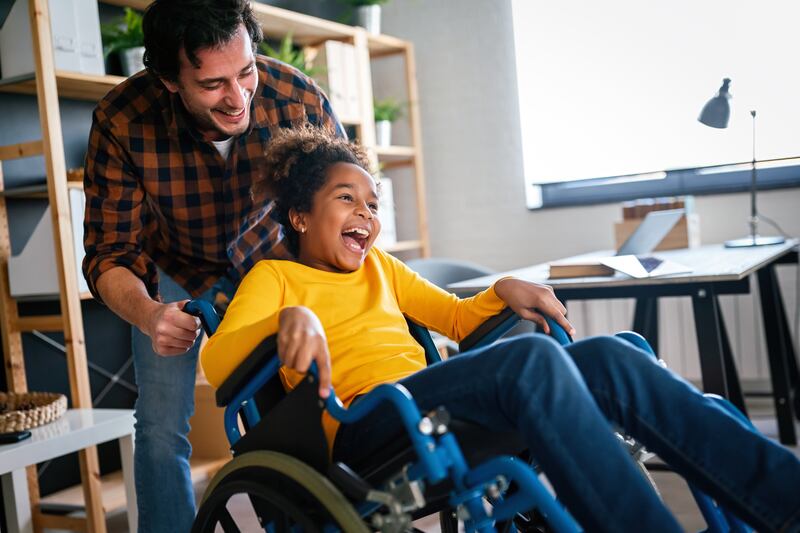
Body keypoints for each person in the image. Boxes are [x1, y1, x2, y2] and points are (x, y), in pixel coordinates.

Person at [201, 126, 800, 533]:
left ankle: (786, 503)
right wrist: (288, 320)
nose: (367, 214)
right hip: (365, 425)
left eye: (374, 202)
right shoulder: (274, 278)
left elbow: (457, 319)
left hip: (430, 406)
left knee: (614, 355)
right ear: (301, 215)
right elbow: (220, 364)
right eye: (346, 198)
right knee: (532, 361)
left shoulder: (381, 267)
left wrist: (502, 288)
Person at [81, 0, 343, 530]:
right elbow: (110, 252)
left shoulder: (295, 97)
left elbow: (346, 203)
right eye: (213, 84)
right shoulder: (121, 119)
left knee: (307, 400)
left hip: (276, 260)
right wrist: (151, 315)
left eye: (245, 71)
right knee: (159, 426)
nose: (237, 95)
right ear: (169, 80)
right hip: (174, 267)